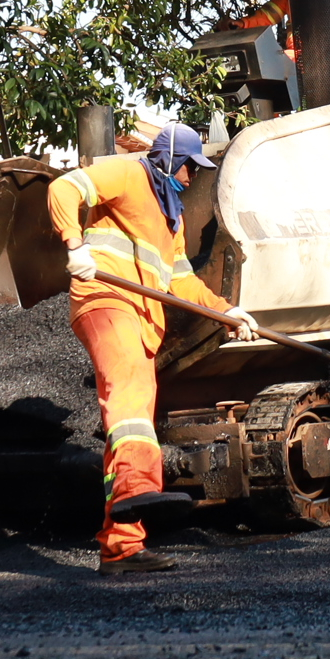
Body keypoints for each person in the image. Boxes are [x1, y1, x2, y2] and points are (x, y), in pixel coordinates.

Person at [46, 122, 257, 576]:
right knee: (130, 401)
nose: (191, 177)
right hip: (106, 300)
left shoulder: (171, 218)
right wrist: (74, 245)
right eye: (187, 167)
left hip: (142, 320)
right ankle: (139, 487)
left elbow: (182, 282)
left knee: (132, 420)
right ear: (168, 158)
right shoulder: (126, 174)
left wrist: (227, 313)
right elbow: (63, 188)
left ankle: (122, 547)